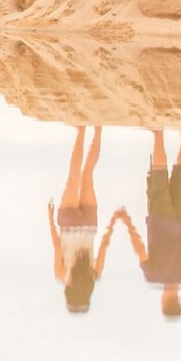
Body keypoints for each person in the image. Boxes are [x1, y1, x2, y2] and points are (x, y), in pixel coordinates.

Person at [114, 130, 181, 320]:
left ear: (178, 301)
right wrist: (127, 221)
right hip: (159, 219)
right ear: (163, 302)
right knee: (158, 176)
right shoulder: (152, 275)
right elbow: (140, 248)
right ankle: (158, 134)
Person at [47, 125, 122, 313]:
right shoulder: (61, 275)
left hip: (89, 224)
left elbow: (104, 246)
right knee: (74, 175)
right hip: (68, 223)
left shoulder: (94, 275)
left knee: (88, 173)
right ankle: (81, 131)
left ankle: (98, 129)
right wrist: (50, 218)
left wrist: (113, 221)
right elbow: (57, 246)